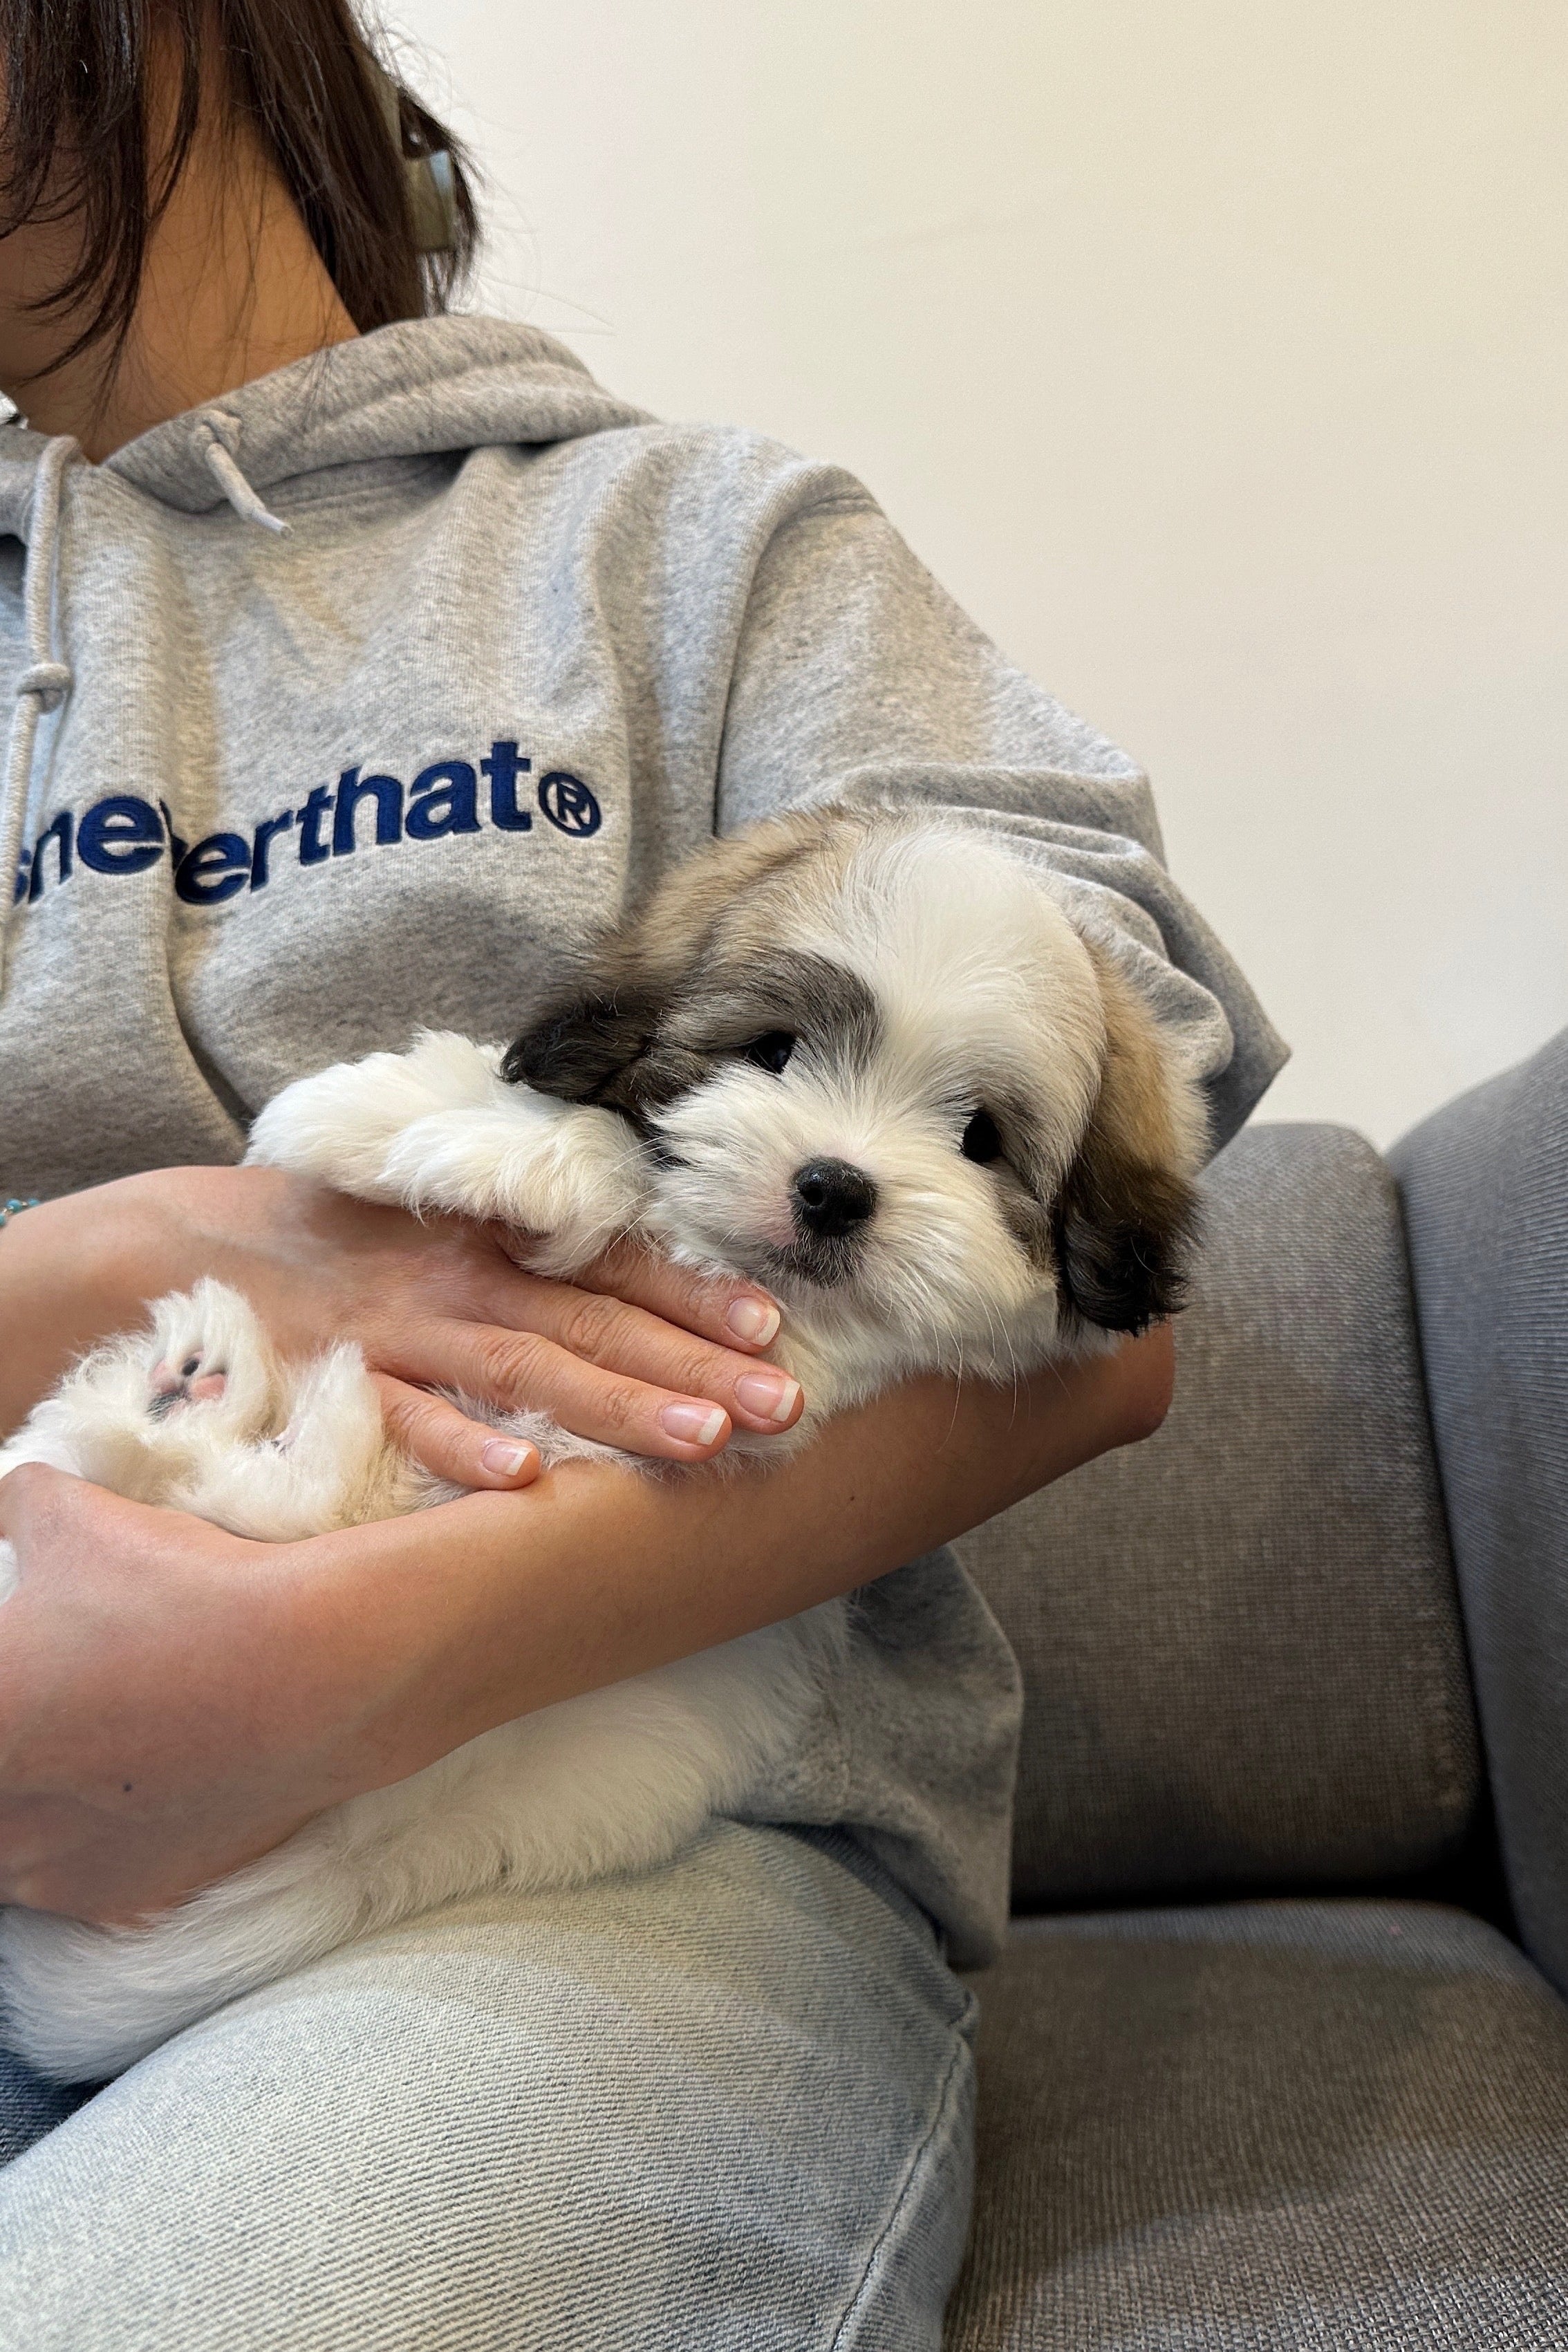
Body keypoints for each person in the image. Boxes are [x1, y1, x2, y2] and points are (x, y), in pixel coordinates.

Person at [0, 3, 1284, 2344]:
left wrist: (324, 1666)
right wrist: (139, 1245)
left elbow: (1097, 1228)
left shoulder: (695, 545)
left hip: (616, 1823)